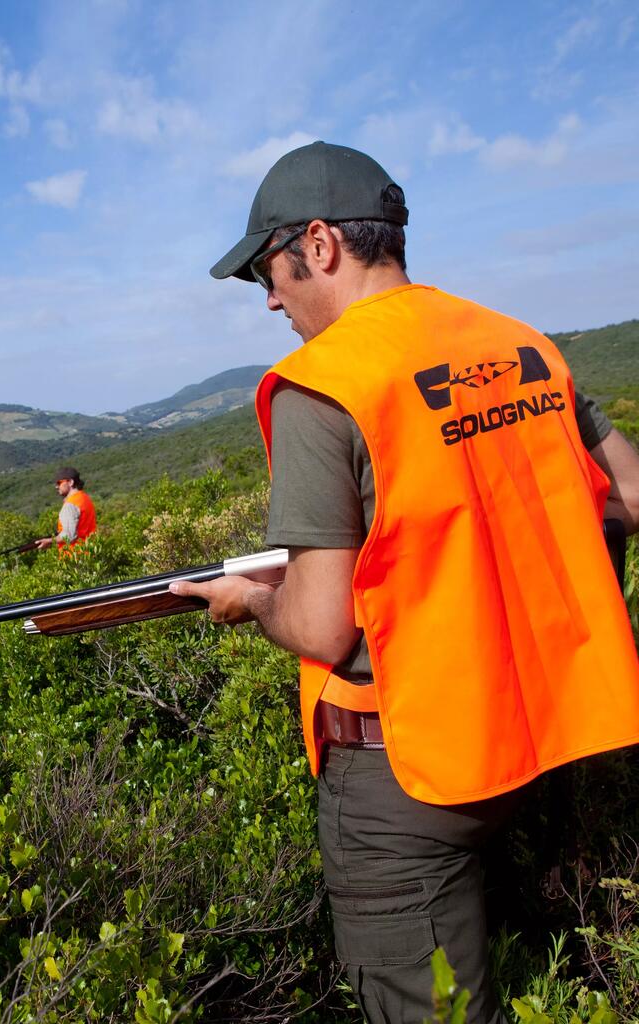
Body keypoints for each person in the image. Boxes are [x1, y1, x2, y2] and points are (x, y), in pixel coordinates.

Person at [168, 141, 639, 1023]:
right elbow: (632, 492)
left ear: (319, 244)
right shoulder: (522, 344)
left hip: (407, 772)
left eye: (269, 271)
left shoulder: (324, 384)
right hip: (539, 730)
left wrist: (251, 601)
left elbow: (320, 629)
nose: (270, 298)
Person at [35, 466, 96, 555]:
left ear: (71, 482)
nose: (56, 486)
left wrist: (49, 541)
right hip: (90, 554)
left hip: (74, 558)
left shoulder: (70, 504)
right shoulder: (85, 498)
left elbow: (69, 535)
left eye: (59, 483)